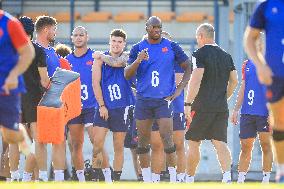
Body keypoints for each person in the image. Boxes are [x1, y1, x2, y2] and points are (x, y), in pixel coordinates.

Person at [125, 16, 191, 183]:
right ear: (147, 28)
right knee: (143, 142)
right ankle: (147, 179)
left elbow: (188, 66)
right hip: (143, 100)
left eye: (159, 27)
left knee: (168, 140)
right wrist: (138, 60)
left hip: (163, 100)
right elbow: (127, 74)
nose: (157, 30)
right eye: (154, 27)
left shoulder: (171, 46)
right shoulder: (138, 48)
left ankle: (173, 178)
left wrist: (179, 89)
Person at [184, 23, 238, 183]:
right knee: (220, 143)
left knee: (193, 142)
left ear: (201, 36)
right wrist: (224, 97)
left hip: (200, 106)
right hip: (220, 107)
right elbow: (234, 81)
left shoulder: (198, 54)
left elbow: (196, 77)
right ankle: (227, 178)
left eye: (197, 37)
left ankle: (189, 179)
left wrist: (187, 103)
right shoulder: (226, 55)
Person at [243, 0, 284, 183]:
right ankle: (281, 170)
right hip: (275, 75)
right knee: (280, 120)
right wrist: (260, 66)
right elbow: (249, 38)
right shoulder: (266, 6)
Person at [92, 29, 134, 182]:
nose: (116, 44)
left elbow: (118, 63)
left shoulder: (128, 57)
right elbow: (95, 83)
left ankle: (115, 180)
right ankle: (95, 176)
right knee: (97, 143)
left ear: (124, 44)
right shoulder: (99, 61)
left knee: (118, 146)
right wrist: (102, 105)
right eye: (114, 41)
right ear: (109, 41)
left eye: (119, 42)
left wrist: (101, 56)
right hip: (105, 106)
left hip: (122, 107)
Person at [231, 36, 273, 183]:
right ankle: (241, 180)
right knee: (245, 147)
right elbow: (243, 86)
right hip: (247, 113)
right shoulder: (246, 64)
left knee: (266, 146)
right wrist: (236, 109)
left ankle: (266, 179)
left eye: (260, 42)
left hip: (264, 113)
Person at [150, 31, 187, 182]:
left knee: (178, 145)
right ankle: (155, 179)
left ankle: (180, 178)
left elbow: (177, 83)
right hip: (154, 108)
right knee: (157, 146)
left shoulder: (177, 61)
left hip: (175, 107)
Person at [34, 15, 65, 182]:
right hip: (38, 101)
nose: (55, 33)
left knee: (58, 140)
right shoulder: (32, 50)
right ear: (46, 29)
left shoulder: (52, 51)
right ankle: (37, 178)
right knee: (39, 141)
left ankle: (58, 180)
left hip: (55, 101)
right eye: (53, 29)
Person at [0, 10, 35, 159]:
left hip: (7, 85)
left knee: (10, 136)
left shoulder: (10, 23)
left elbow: (28, 52)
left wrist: (14, 75)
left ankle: (23, 141)